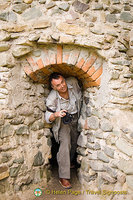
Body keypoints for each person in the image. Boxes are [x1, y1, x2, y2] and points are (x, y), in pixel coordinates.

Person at [45, 72, 82, 189]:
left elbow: (81, 96)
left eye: (62, 82)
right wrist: (56, 114)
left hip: (76, 117)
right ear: (53, 87)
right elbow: (48, 117)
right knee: (65, 143)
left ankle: (70, 161)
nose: (62, 86)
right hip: (62, 122)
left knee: (75, 142)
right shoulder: (52, 97)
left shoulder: (73, 82)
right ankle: (63, 176)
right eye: (58, 85)